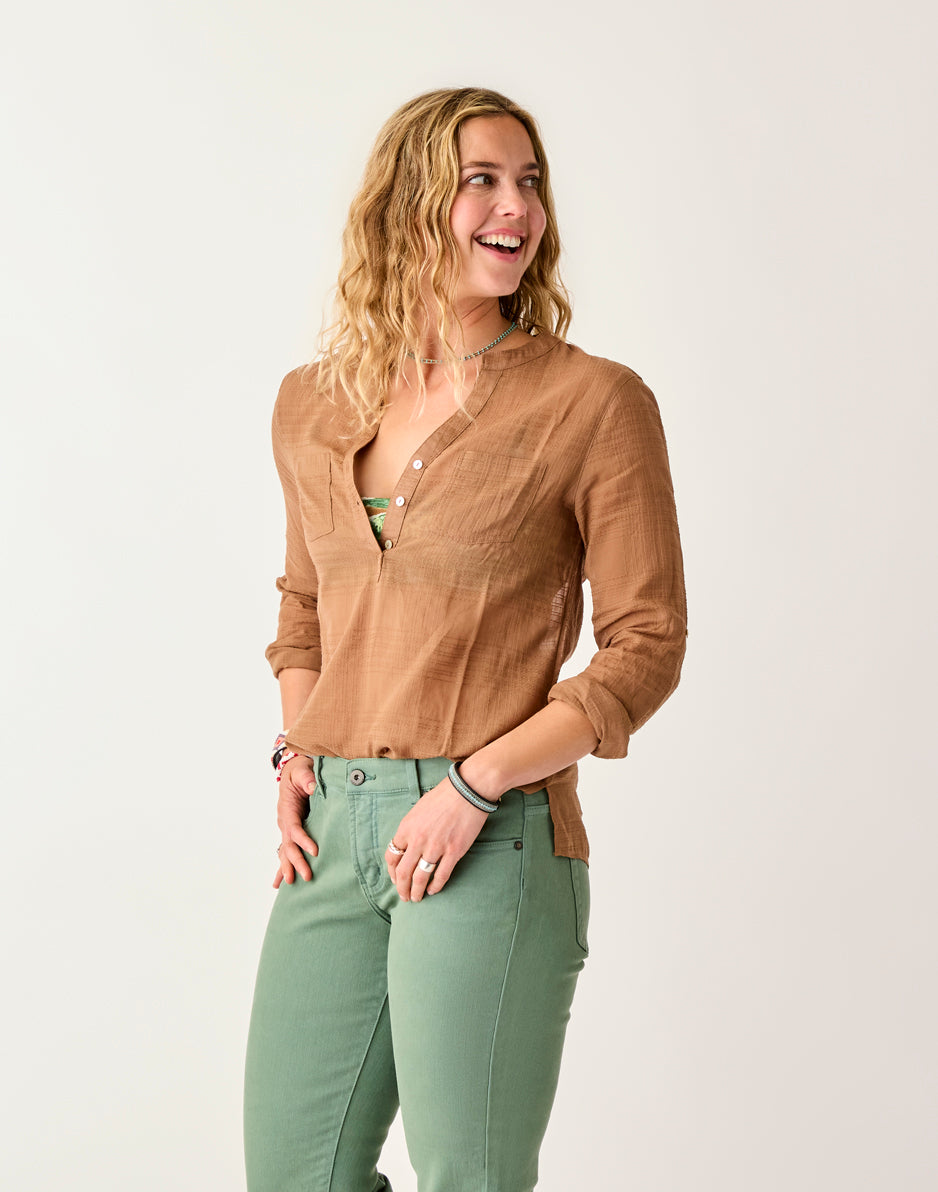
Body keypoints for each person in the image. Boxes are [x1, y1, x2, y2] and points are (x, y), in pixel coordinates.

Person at [243, 86, 688, 1192]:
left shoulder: (592, 403)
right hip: (332, 831)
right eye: (479, 180)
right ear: (407, 203)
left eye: (528, 182)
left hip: (490, 833)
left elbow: (645, 642)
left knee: (470, 1178)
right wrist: (296, 752)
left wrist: (477, 783)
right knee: (293, 1175)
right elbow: (304, 611)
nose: (516, 207)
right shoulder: (310, 403)